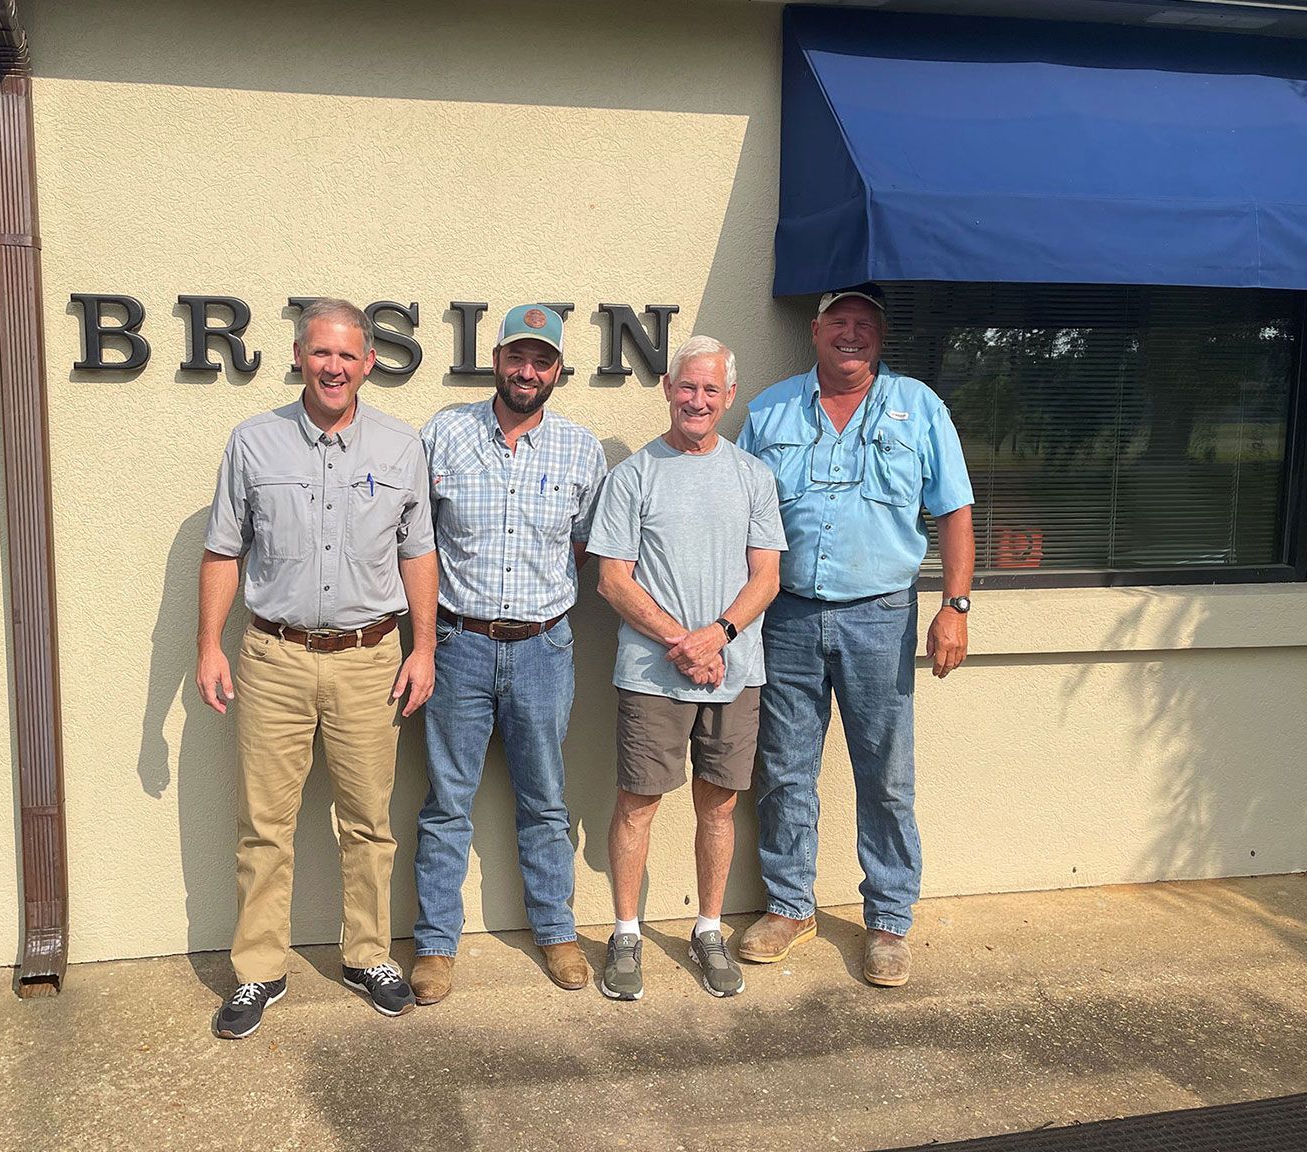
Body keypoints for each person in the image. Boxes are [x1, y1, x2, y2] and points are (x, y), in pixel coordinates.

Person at [195, 297, 438, 1038]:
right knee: (265, 825)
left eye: (348, 355)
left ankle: (368, 955)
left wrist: (423, 647)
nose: (334, 366)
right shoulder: (252, 443)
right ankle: (258, 972)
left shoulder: (400, 448)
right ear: (298, 356)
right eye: (320, 352)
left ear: (369, 363)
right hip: (273, 659)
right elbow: (222, 551)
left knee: (368, 822)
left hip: (370, 661)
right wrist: (208, 644)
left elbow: (417, 552)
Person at [736, 282, 975, 989]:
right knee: (782, 770)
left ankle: (889, 920)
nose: (851, 333)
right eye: (838, 321)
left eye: (864, 324)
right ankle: (788, 906)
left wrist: (954, 605)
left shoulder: (920, 408)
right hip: (787, 615)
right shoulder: (769, 409)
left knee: (885, 775)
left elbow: (955, 510)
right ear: (814, 332)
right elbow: (738, 509)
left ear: (880, 337)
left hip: (882, 614)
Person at [410, 304, 609, 1005]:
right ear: (496, 360)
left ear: (559, 370)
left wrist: (538, 607)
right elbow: (418, 546)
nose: (528, 371)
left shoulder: (582, 451)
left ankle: (556, 931)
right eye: (517, 357)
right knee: (446, 803)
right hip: (458, 644)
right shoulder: (444, 434)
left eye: (543, 360)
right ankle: (435, 945)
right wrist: (429, 641)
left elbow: (580, 549)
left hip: (543, 649)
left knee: (545, 800)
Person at [585, 335, 785, 1001]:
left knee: (719, 806)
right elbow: (613, 580)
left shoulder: (753, 476)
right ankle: (626, 932)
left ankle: (707, 927)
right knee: (638, 803)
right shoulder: (634, 475)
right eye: (687, 387)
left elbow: (768, 576)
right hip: (653, 675)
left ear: (728, 399)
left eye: (711, 390)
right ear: (668, 390)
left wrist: (719, 635)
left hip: (735, 670)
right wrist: (685, 643)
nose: (697, 400)